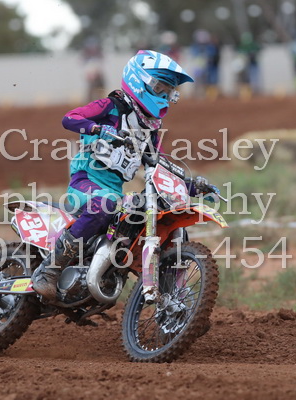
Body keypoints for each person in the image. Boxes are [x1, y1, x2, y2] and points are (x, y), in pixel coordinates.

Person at [32, 50, 212, 301]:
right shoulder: (112, 106)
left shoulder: (149, 128)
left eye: (168, 92)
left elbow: (158, 165)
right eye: (159, 88)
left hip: (114, 192)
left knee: (148, 214)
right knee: (105, 205)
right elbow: (70, 118)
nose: (163, 97)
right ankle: (49, 270)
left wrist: (192, 187)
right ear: (139, 80)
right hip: (85, 182)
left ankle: (168, 296)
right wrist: (97, 128)